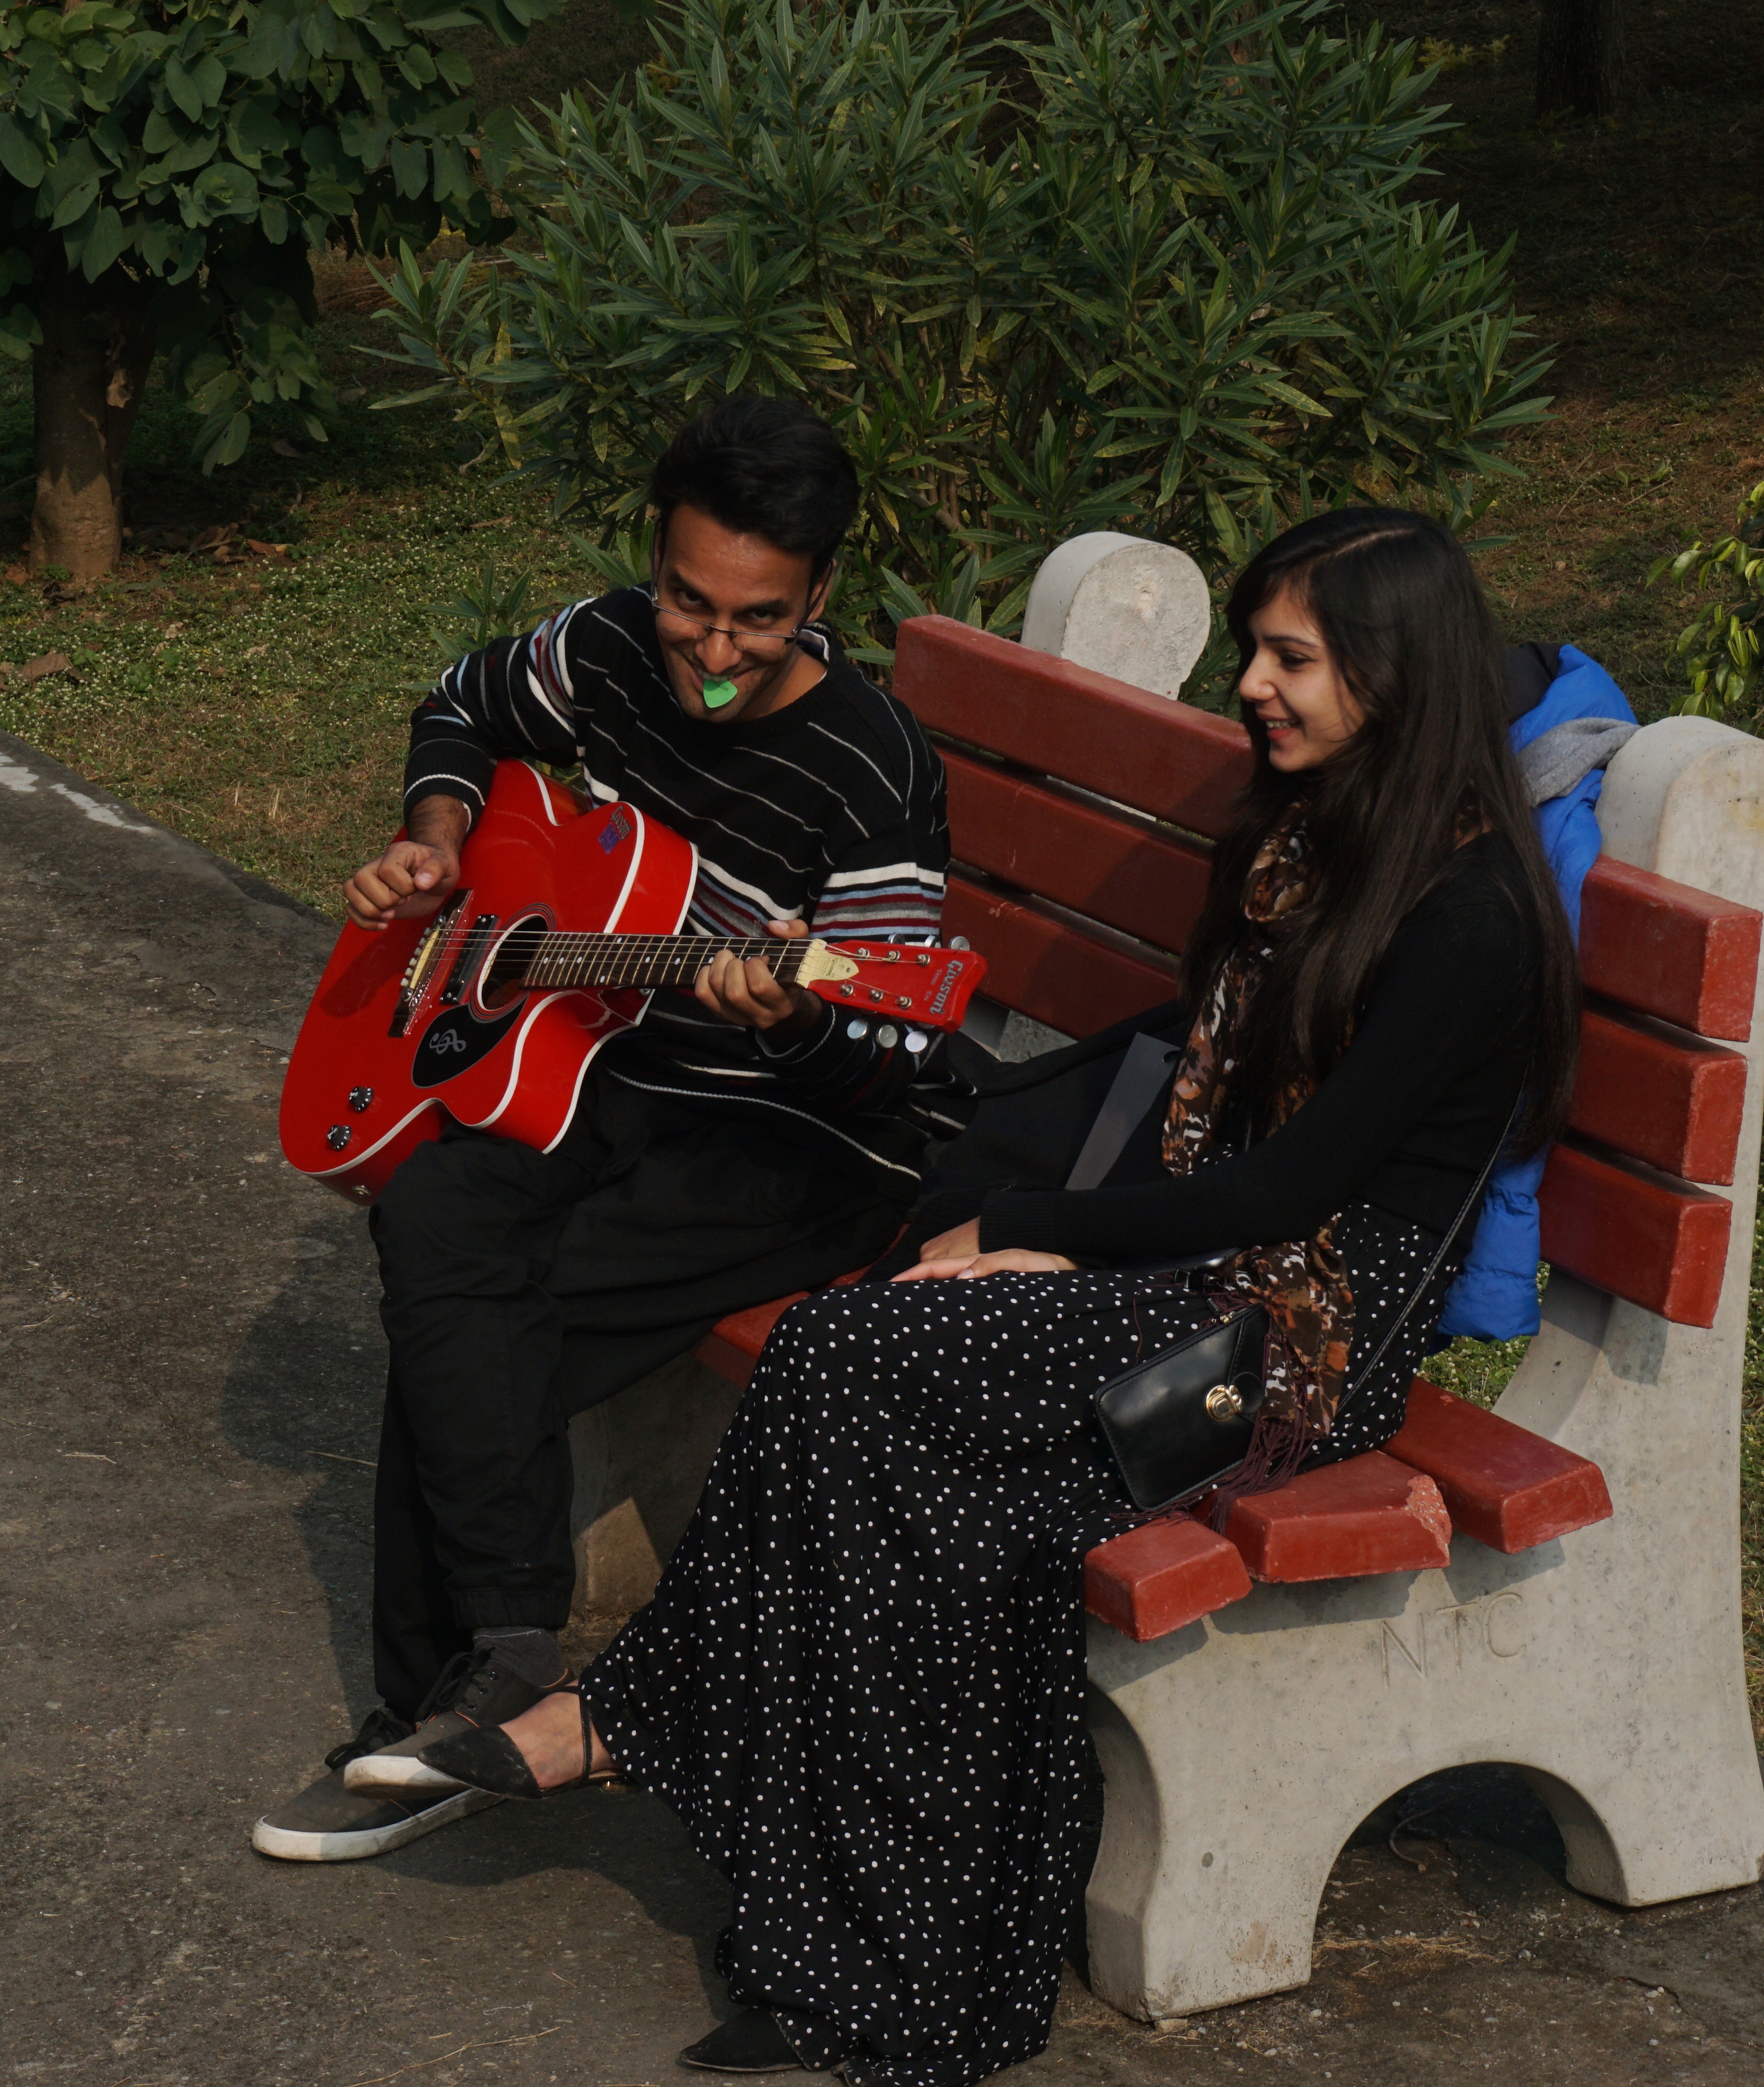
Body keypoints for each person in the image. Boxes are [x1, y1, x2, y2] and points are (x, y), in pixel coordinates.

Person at [415, 507, 1579, 2083]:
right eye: (1253, 649)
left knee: (879, 1391)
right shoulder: (1315, 833)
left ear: (1397, 670)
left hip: (1285, 1357)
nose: (1254, 685)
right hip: (1186, 1279)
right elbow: (1204, 1101)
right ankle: (861, 1961)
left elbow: (1299, 1193)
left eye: (1292, 659)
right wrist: (1062, 1233)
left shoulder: (1474, 922)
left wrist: (1052, 1232)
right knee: (900, 1448)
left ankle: (662, 1740)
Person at [252, 395, 957, 1864]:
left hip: (803, 1139)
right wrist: (440, 846)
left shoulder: (873, 768)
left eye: (756, 620)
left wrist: (793, 1012)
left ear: (820, 597)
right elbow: (461, 703)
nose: (710, 647)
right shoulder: (611, 650)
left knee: (473, 1316)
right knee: (439, 1220)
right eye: (689, 601)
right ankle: (493, 1669)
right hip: (614, 1061)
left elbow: (892, 1057)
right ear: (656, 565)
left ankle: (433, 1714)